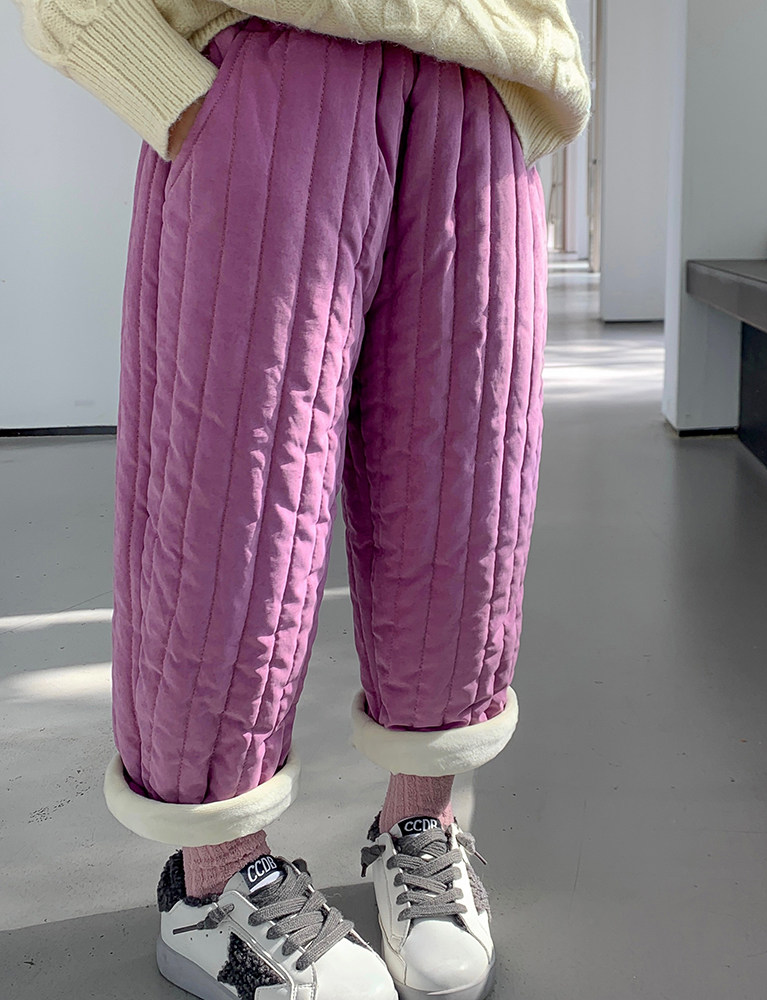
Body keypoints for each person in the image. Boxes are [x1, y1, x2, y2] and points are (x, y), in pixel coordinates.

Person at [11, 3, 591, 999]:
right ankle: (214, 883)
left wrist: (525, 97)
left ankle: (422, 823)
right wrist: (174, 92)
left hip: (477, 88)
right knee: (231, 507)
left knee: (466, 503)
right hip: (271, 74)